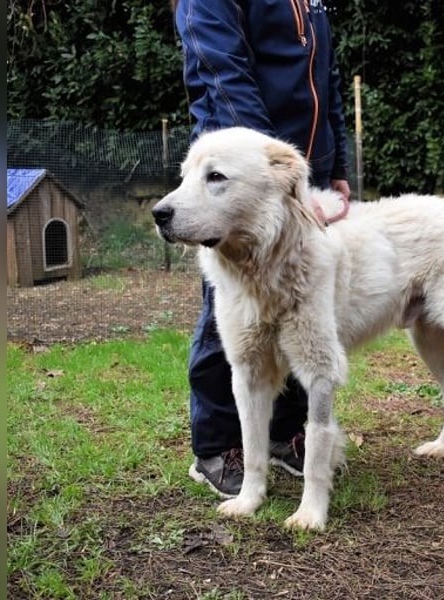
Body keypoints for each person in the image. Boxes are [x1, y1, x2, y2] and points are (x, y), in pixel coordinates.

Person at [171, 0, 351, 498]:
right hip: (242, 170)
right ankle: (216, 445)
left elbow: (325, 78)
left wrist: (336, 164)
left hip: (298, 171)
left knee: (298, 308)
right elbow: (221, 71)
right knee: (230, 310)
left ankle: (284, 434)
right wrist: (258, 167)